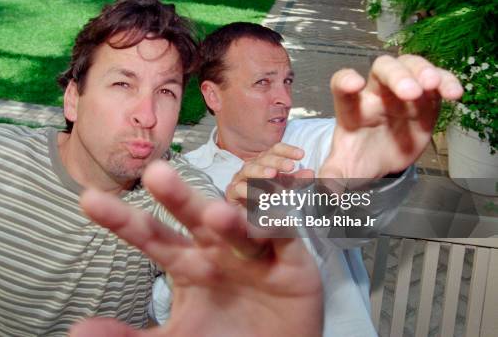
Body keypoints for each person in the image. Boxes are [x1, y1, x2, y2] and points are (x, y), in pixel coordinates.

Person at [0, 0, 323, 336]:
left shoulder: (173, 188)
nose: (146, 115)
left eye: (166, 92)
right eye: (121, 83)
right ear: (73, 98)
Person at [151, 22, 463, 335]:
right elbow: (160, 308)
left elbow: (348, 224)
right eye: (263, 83)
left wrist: (383, 171)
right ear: (213, 95)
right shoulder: (182, 181)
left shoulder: (320, 143)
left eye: (287, 81)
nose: (284, 98)